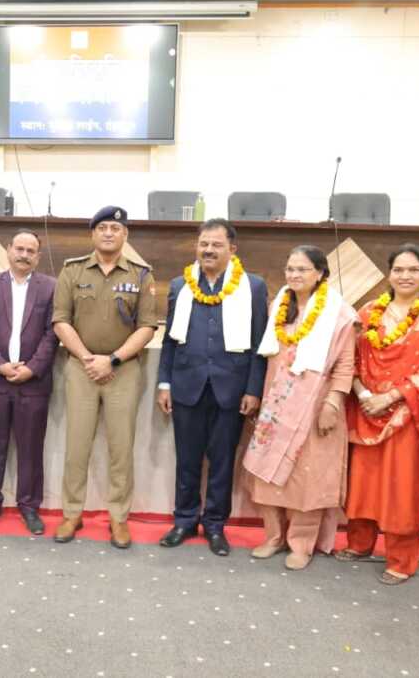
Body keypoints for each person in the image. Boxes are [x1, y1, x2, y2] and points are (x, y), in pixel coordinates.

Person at [337, 244, 419, 584]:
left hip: (409, 414)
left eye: (413, 270)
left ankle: (401, 559)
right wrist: (364, 395)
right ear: (389, 274)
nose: (405, 276)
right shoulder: (367, 312)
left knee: (402, 487)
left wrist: (391, 397)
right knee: (363, 483)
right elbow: (350, 359)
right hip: (366, 409)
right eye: (399, 270)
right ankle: (359, 543)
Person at [156, 219, 268, 556]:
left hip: (231, 388)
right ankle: (185, 520)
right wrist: (164, 382)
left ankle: (216, 525)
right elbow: (169, 341)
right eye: (203, 244)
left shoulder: (253, 286)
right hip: (187, 384)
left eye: (216, 245)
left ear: (232, 249)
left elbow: (259, 342)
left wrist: (253, 389)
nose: (208, 250)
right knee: (187, 459)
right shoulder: (180, 285)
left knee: (222, 461)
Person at [242, 245, 358, 570]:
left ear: (319, 273)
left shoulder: (339, 314)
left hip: (316, 406)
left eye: (302, 269)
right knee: (266, 472)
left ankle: (301, 544)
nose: (294, 275)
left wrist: (333, 402)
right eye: (290, 269)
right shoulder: (279, 305)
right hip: (276, 405)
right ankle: (274, 537)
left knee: (307, 478)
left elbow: (346, 365)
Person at [51, 205, 157, 549]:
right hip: (80, 369)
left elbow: (147, 327)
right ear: (92, 234)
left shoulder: (141, 275)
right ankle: (72, 513)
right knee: (76, 446)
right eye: (102, 228)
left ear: (125, 235)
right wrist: (87, 358)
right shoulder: (72, 270)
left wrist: (112, 360)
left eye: (115, 228)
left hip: (123, 370)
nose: (109, 233)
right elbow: (60, 321)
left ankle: (118, 518)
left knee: (121, 448)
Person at [0, 230, 59, 534]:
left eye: (30, 251)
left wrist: (31, 369)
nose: (24, 255)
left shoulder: (51, 287)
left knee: (31, 449)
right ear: (8, 250)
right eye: (19, 249)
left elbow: (52, 333)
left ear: (38, 256)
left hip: (33, 383)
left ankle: (29, 507)